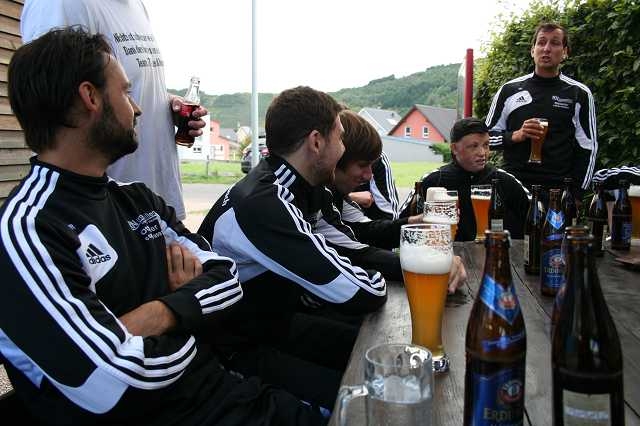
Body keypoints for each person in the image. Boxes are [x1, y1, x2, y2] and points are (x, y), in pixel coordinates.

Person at [0, 28, 327, 425]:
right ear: (90, 98)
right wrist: (196, 319)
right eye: (126, 92)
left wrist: (159, 313)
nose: (137, 109)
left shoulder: (136, 199)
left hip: (226, 393)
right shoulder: (29, 228)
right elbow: (112, 381)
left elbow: (227, 278)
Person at [21, 0, 209, 221]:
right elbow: (49, 100)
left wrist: (164, 104)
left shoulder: (136, 7)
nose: (137, 110)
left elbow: (126, 84)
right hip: (103, 215)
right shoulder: (60, 4)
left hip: (152, 205)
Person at [329, 110, 467, 289]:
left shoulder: (334, 195)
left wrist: (418, 222)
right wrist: (431, 265)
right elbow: (354, 252)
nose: (369, 175)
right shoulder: (318, 195)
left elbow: (366, 230)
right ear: (335, 159)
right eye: (362, 165)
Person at [485, 22, 597, 197]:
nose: (546, 49)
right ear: (532, 50)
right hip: (513, 187)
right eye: (541, 42)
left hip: (557, 190)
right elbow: (485, 140)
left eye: (555, 43)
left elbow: (588, 147)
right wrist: (515, 135)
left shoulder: (579, 93)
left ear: (565, 52)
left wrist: (576, 193)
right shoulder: (509, 90)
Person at [419, 117, 530, 241]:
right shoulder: (434, 180)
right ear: (454, 148)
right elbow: (407, 223)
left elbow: (535, 216)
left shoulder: (504, 180)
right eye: (474, 146)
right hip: (447, 252)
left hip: (494, 251)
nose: (482, 153)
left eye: (486, 145)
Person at [348, 152, 401, 220]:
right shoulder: (336, 155)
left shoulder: (377, 156)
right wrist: (351, 197)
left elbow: (390, 215)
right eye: (362, 166)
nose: (369, 176)